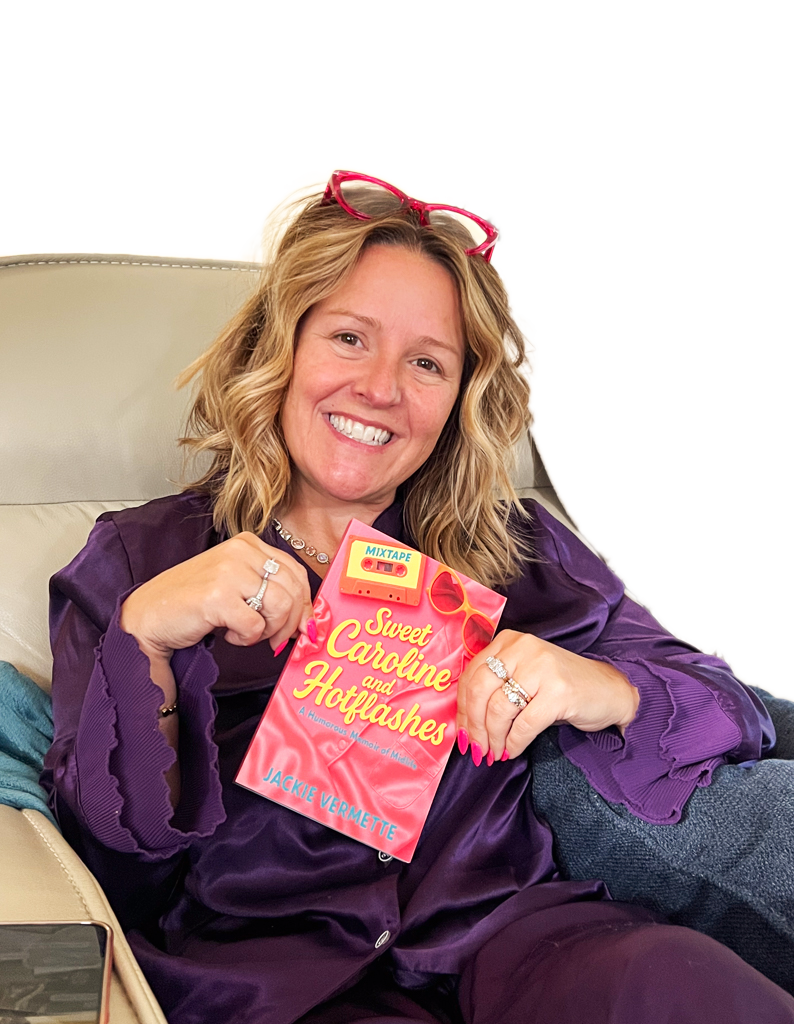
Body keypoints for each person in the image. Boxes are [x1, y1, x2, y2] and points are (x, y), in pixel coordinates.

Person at [43, 171, 794, 1024]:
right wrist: (146, 647)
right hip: (270, 977)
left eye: (427, 362)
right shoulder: (140, 557)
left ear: (459, 399)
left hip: (517, 939)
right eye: (350, 339)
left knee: (675, 978)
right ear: (278, 349)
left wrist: (604, 688)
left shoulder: (519, 549)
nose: (381, 388)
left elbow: (738, 710)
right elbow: (109, 882)